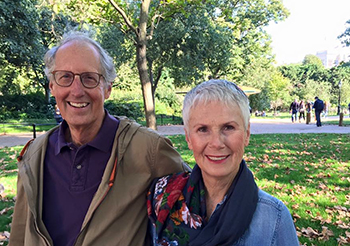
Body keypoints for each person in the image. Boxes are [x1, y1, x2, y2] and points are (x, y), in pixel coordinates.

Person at [9, 31, 189, 246]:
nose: (77, 91)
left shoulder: (147, 149)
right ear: (52, 86)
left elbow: (200, 201)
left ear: (108, 89)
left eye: (89, 78)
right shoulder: (33, 155)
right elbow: (20, 234)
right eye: (65, 77)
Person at [147, 80, 299, 246]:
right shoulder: (163, 199)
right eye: (203, 129)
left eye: (228, 127)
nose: (216, 143)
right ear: (188, 138)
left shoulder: (273, 218)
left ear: (247, 134)